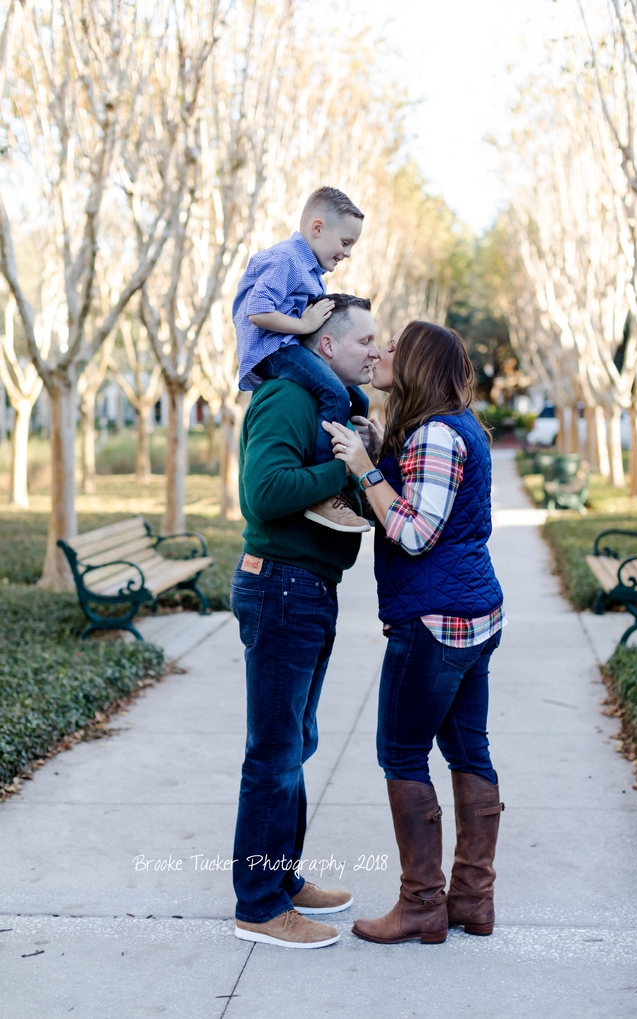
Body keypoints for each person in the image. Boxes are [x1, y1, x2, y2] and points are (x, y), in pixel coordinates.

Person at [323, 321, 506, 946]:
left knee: (401, 755)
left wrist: (365, 471)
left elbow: (413, 533)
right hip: (471, 615)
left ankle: (422, 905)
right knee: (468, 751)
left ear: (420, 363)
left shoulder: (434, 435)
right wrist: (379, 454)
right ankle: (473, 902)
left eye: (394, 346)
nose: (380, 351)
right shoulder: (459, 429)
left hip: (434, 624)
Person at [230, 294, 380, 949]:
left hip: (308, 588)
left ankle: (281, 877)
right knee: (274, 752)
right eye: (364, 340)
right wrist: (341, 466)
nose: (375, 351)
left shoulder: (335, 406)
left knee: (296, 743)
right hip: (282, 588)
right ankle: (260, 905)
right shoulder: (289, 398)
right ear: (326, 346)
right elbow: (262, 492)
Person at [232, 186, 369, 533]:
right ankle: (327, 492)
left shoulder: (309, 270)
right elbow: (258, 311)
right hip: (272, 350)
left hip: (288, 346)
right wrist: (305, 324)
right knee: (335, 394)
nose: (347, 253)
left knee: (358, 398)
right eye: (346, 242)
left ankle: (352, 460)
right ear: (317, 228)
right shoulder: (286, 260)